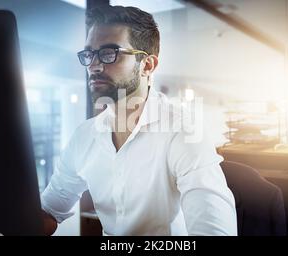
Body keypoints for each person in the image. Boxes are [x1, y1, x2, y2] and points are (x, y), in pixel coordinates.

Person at [40, 5, 237, 236]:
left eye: (109, 52)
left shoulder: (182, 131)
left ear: (147, 65)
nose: (94, 65)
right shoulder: (84, 135)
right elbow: (50, 211)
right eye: (89, 54)